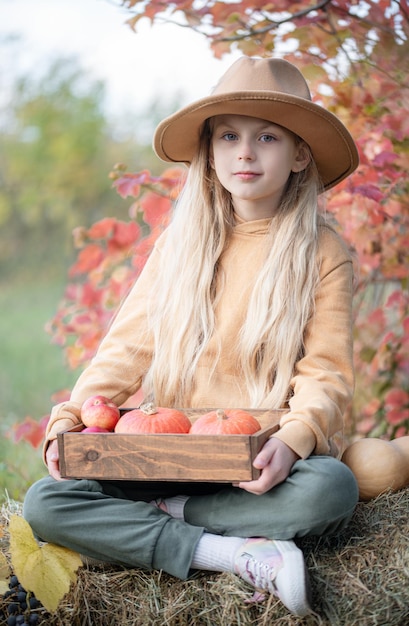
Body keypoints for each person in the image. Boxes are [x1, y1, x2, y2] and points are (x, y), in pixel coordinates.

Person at [23, 56, 360, 618]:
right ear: (210, 152)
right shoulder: (180, 246)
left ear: (301, 154)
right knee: (47, 502)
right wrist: (70, 418)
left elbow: (325, 371)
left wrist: (296, 437)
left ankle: (164, 519)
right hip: (165, 451)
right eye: (228, 136)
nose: (244, 152)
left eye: (267, 136)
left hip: (255, 463)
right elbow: (125, 351)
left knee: (331, 488)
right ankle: (229, 551)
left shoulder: (322, 253)